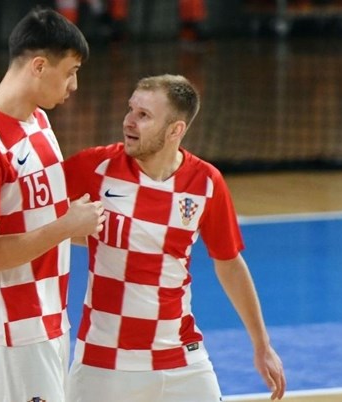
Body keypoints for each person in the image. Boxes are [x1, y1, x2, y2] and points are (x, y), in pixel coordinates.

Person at [63, 74, 286, 402]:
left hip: (181, 358)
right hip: (104, 360)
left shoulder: (206, 183)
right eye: (130, 109)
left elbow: (230, 263)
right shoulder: (96, 167)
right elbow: (31, 206)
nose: (129, 121)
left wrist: (262, 345)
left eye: (144, 115)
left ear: (175, 130)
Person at [0, 7, 105, 402]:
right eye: (70, 71)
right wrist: (67, 227)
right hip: (11, 332)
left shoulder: (37, 119)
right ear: (39, 66)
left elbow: (33, 217)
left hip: (50, 320)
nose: (74, 85)